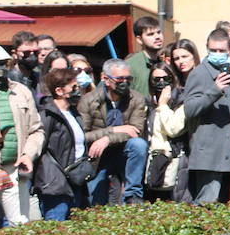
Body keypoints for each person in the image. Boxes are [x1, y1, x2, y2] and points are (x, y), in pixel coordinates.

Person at [0, 41, 43, 228]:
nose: (3, 67)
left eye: (6, 62)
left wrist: (28, 154)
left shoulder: (19, 91)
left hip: (14, 168)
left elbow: (36, 130)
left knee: (20, 222)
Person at [76, 57, 148, 206]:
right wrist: (113, 130)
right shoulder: (88, 100)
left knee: (139, 144)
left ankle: (133, 196)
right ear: (105, 79)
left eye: (128, 79)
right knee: (96, 204)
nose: (125, 83)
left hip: (124, 151)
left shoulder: (137, 99)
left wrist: (108, 139)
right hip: (98, 156)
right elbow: (82, 135)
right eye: (120, 79)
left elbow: (136, 131)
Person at [182, 28, 230, 204]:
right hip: (208, 153)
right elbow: (190, 110)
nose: (218, 54)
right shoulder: (199, 73)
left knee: (219, 206)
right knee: (206, 205)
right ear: (207, 48)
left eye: (222, 51)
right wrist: (214, 90)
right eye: (213, 50)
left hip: (226, 151)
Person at [32, 68, 90, 221]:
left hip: (75, 178)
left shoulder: (74, 113)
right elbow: (39, 145)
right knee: (56, 224)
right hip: (55, 182)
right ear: (59, 90)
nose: (78, 91)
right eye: (74, 87)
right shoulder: (47, 114)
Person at [146, 60, 189, 202]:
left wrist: (163, 105)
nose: (161, 83)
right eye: (156, 79)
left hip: (174, 159)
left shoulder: (181, 100)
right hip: (153, 160)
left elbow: (173, 128)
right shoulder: (148, 102)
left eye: (166, 78)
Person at [125, 16, 164, 97]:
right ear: (139, 39)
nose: (157, 37)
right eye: (150, 34)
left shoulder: (164, 64)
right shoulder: (130, 66)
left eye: (159, 32)